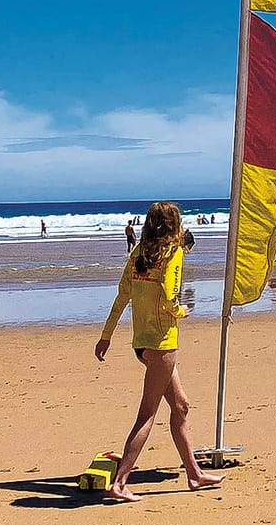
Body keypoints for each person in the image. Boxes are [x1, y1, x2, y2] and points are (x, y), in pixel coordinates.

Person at [93, 201, 223, 504]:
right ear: (173, 223)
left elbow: (121, 296)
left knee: (181, 406)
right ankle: (121, 482)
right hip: (163, 343)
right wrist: (180, 310)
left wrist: (106, 337)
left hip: (141, 343)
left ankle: (194, 473)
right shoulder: (172, 253)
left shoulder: (138, 253)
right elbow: (168, 293)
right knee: (147, 414)